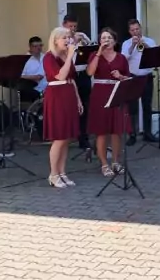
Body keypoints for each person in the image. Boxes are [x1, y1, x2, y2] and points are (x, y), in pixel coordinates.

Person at [86, 28, 132, 177]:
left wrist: (120, 76)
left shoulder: (121, 58)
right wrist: (99, 53)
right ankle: (104, 164)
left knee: (116, 130)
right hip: (100, 93)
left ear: (115, 41)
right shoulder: (94, 55)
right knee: (101, 131)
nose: (107, 40)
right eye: (104, 38)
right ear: (100, 41)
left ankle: (115, 162)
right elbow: (90, 72)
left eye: (110, 38)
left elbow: (128, 78)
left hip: (116, 92)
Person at [42, 27, 83, 188]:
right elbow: (61, 76)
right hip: (56, 96)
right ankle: (53, 174)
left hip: (69, 94)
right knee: (59, 137)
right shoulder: (49, 57)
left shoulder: (66, 55)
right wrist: (70, 56)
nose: (67, 40)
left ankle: (62, 172)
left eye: (68, 37)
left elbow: (71, 79)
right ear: (55, 40)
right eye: (64, 38)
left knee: (66, 138)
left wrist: (78, 100)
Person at [121, 19, 159, 145]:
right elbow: (123, 59)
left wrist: (145, 45)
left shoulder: (150, 41)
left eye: (137, 29)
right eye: (132, 30)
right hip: (133, 77)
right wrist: (133, 46)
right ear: (129, 31)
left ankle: (147, 133)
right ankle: (132, 134)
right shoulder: (126, 43)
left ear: (140, 29)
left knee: (147, 106)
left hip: (147, 77)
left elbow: (155, 55)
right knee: (132, 107)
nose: (135, 32)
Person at [62, 14, 92, 150]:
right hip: (70, 75)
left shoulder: (82, 35)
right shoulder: (61, 38)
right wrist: (73, 42)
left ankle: (83, 138)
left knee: (84, 105)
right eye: (70, 26)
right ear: (64, 25)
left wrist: (83, 41)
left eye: (75, 26)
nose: (73, 29)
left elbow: (91, 50)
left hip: (83, 74)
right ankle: (68, 135)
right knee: (70, 106)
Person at [20, 36, 47, 102]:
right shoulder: (24, 60)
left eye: (40, 45)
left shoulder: (46, 57)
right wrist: (34, 77)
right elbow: (20, 76)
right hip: (32, 92)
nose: (38, 48)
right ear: (30, 46)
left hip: (47, 90)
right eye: (35, 46)